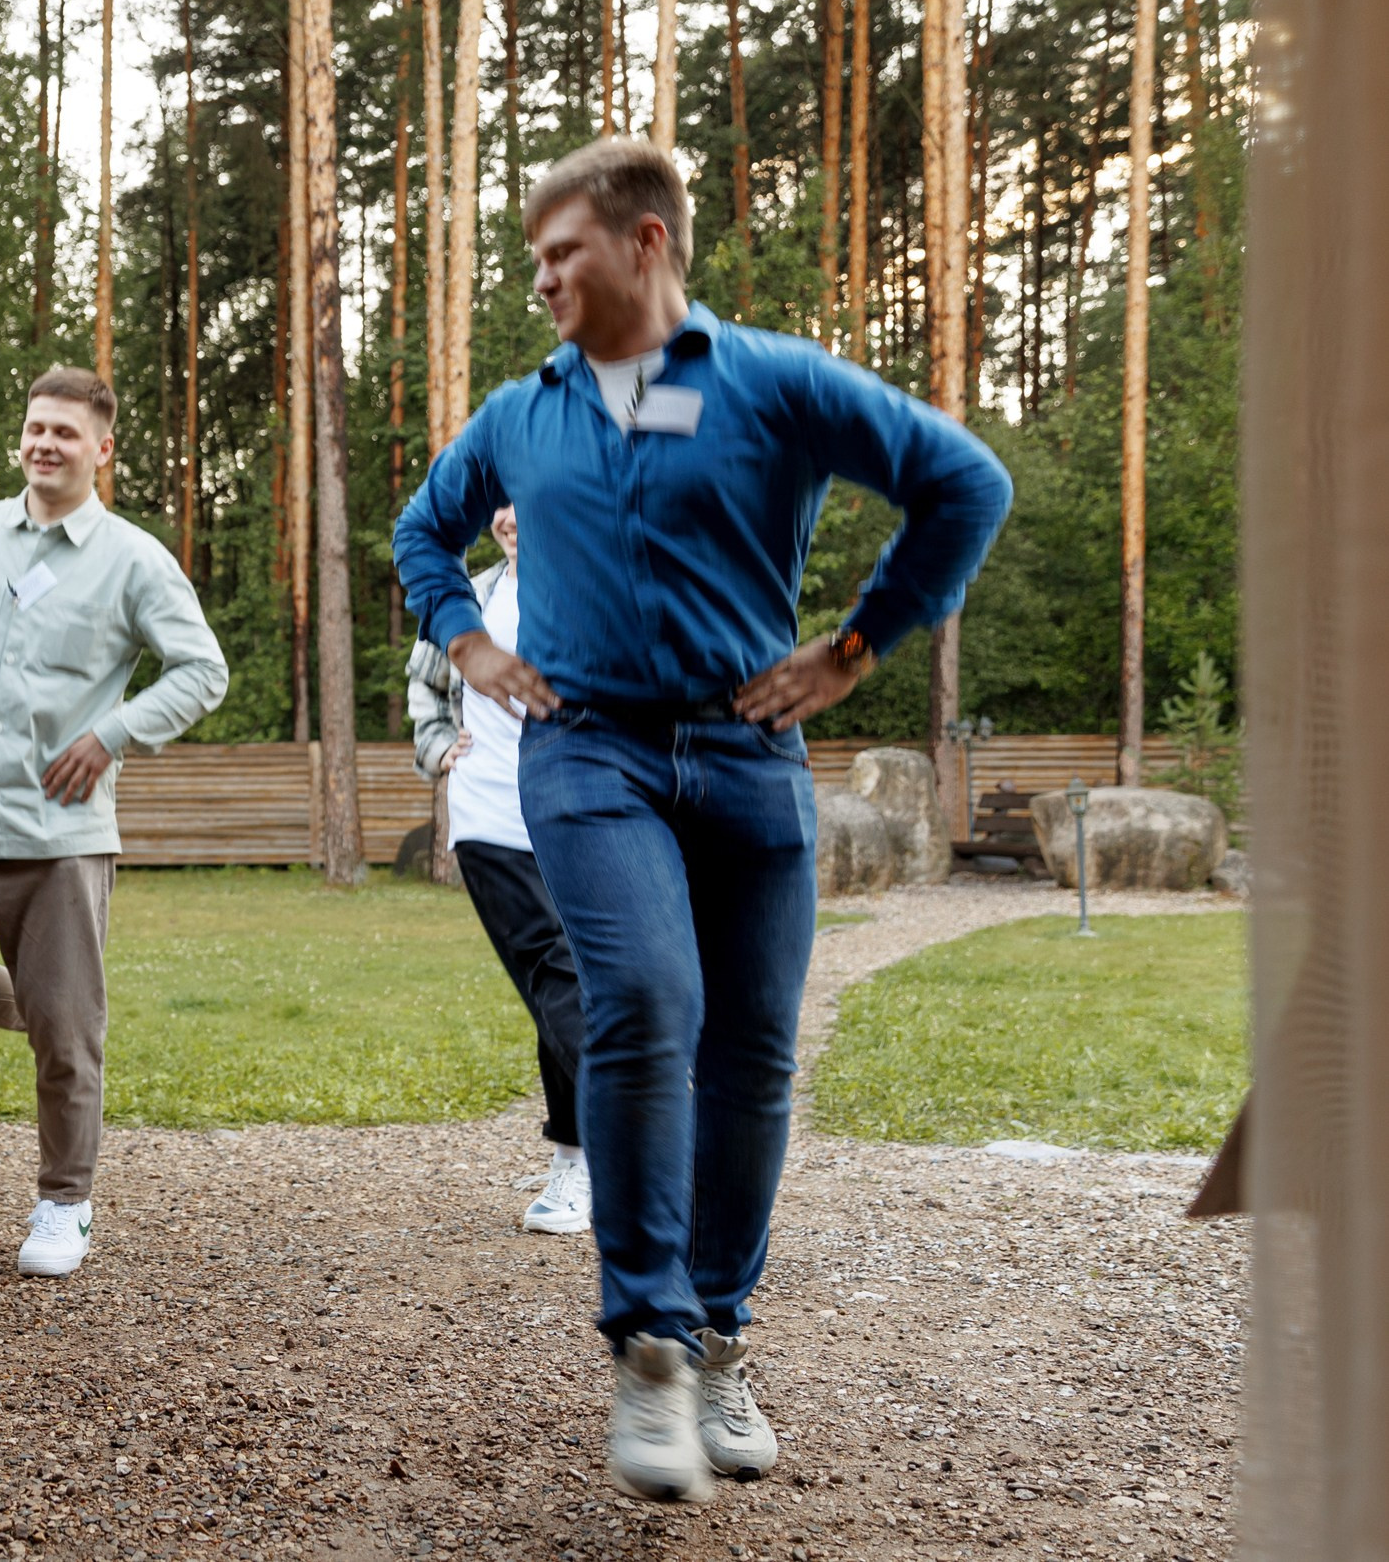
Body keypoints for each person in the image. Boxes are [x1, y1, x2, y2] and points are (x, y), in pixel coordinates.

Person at [393, 139, 1011, 1503]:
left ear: (648, 241)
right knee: (642, 999)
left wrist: (852, 646)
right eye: (535, 259)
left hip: (746, 753)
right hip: (586, 749)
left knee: (754, 1052)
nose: (541, 279)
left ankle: (720, 1333)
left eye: (562, 251)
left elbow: (965, 482)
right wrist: (467, 642)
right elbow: (422, 533)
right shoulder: (520, 414)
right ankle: (650, 1344)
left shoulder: (774, 382)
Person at [0, 368, 228, 1278]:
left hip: (60, 832)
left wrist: (114, 734)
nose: (44, 443)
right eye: (36, 427)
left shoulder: (133, 559)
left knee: (69, 1043)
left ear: (102, 449)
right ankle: (48, 1009)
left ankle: (64, 1203)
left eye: (66, 433)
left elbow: (203, 669)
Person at [405, 503, 589, 1236]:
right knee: (555, 971)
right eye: (500, 504)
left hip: (583, 813)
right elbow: (424, 682)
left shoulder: (591, 585)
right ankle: (617, 1146)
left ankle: (589, 1152)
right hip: (489, 815)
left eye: (525, 499)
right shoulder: (471, 596)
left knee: (573, 981)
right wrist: (438, 746)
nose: (511, 517)